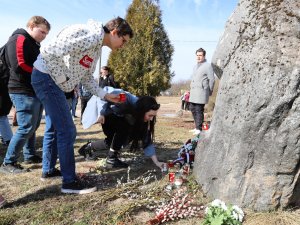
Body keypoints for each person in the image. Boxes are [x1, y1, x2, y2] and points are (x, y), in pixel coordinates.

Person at [31, 17, 133, 194]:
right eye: (123, 40)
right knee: (68, 130)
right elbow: (49, 51)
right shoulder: (89, 35)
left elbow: (86, 77)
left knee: (56, 127)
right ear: (115, 32)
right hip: (47, 78)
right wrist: (63, 80)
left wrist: (104, 94)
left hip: (52, 81)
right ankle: (69, 182)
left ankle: (48, 170)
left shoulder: (96, 47)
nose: (122, 46)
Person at [0, 16, 51, 174]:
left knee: (33, 126)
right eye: (42, 31)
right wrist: (42, 73)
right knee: (26, 126)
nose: (44, 36)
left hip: (32, 89)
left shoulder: (33, 43)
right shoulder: (19, 38)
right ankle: (8, 162)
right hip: (21, 89)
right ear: (32, 25)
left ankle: (29, 155)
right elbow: (19, 65)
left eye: (46, 34)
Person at [80, 88, 165, 170]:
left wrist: (156, 162)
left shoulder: (141, 117)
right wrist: (101, 113)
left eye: (153, 116)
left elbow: (146, 139)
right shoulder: (126, 98)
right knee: (126, 125)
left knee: (113, 142)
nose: (151, 119)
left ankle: (88, 148)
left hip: (119, 120)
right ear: (142, 110)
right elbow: (105, 93)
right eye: (150, 115)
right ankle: (112, 159)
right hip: (108, 116)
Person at [189, 48, 215, 135]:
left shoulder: (208, 66)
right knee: (192, 108)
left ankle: (199, 129)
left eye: (200, 55)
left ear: (204, 56)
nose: (198, 57)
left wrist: (210, 91)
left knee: (198, 109)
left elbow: (212, 79)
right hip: (194, 91)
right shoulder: (195, 66)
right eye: (197, 55)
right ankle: (197, 126)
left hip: (202, 91)